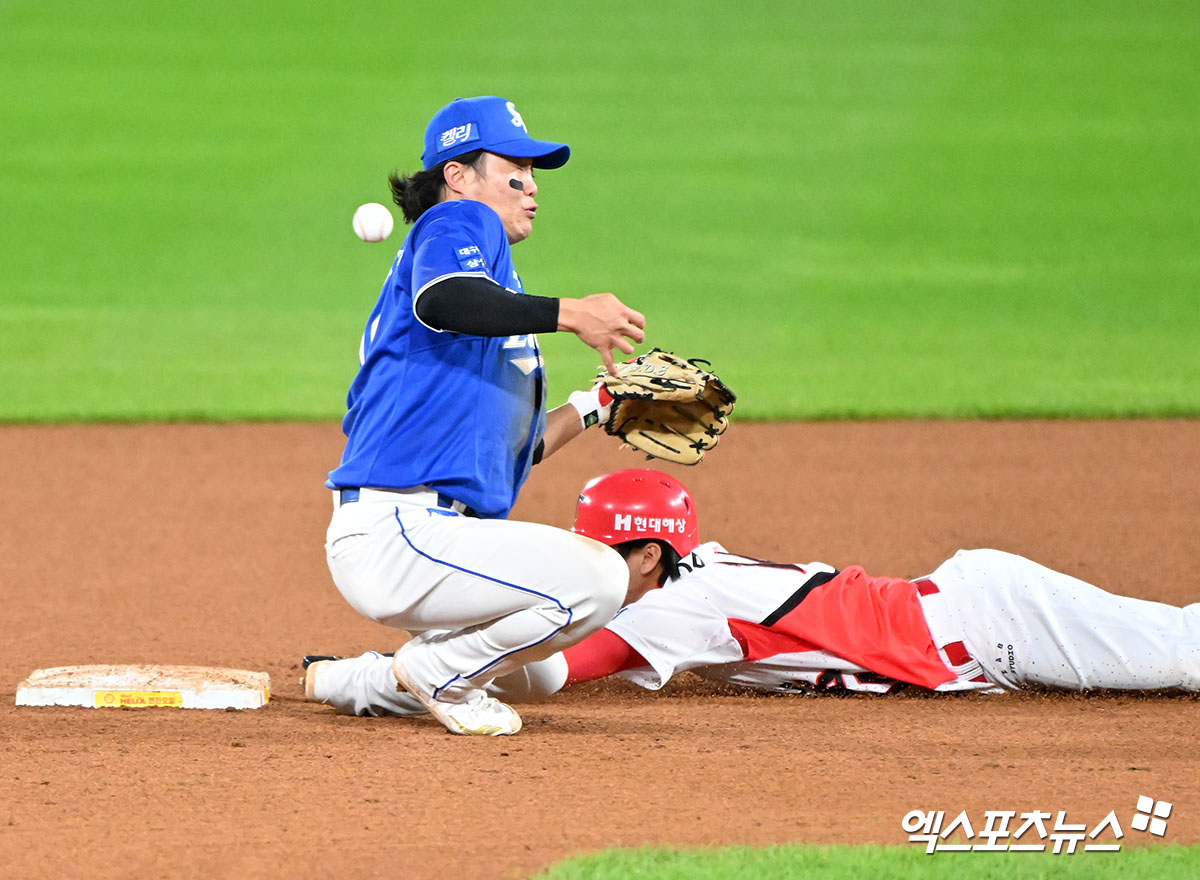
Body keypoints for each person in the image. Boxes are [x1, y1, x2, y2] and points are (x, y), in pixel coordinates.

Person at [306, 469, 1200, 716]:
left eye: (600, 547)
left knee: (1178, 654)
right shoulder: (695, 575)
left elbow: (542, 668)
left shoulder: (667, 608)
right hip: (967, 618)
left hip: (985, 622)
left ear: (646, 554)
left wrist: (373, 677)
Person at [320, 96, 647, 736]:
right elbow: (447, 298)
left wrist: (596, 407)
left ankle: (361, 679)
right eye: (515, 173)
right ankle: (441, 673)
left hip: (429, 537)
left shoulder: (488, 302)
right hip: (402, 531)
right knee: (599, 581)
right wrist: (571, 312)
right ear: (459, 176)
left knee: (542, 673)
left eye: (535, 177)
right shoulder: (458, 223)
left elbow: (511, 447)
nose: (532, 190)